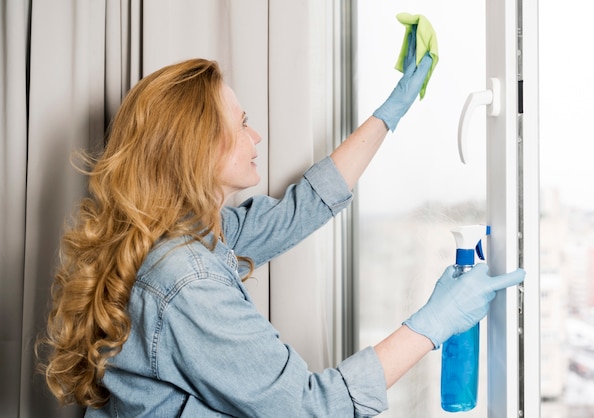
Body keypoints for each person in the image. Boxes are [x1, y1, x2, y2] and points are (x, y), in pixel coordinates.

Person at [37, 26, 524, 417]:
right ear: (197, 150)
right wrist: (431, 324)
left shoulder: (189, 235)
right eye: (241, 124)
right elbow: (310, 407)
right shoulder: (188, 280)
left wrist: (390, 110)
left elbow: (302, 208)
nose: (257, 135)